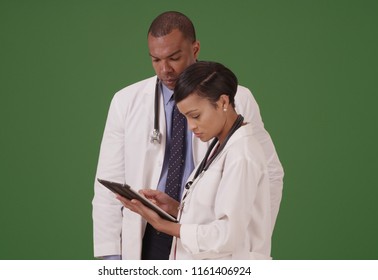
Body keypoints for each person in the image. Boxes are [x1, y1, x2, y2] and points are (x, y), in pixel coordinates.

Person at [92, 11, 283, 260]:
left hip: (212, 240)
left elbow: (270, 175)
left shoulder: (238, 99)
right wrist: (111, 256)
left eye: (174, 57)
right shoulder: (125, 101)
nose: (165, 69)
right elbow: (108, 185)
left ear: (195, 48)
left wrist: (250, 245)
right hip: (149, 231)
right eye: (156, 60)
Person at [117, 61, 272, 259]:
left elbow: (227, 235)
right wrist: (175, 209)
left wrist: (164, 225)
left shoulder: (242, 154)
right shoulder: (220, 147)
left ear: (224, 102)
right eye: (186, 118)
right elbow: (212, 214)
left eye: (196, 116)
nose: (191, 126)